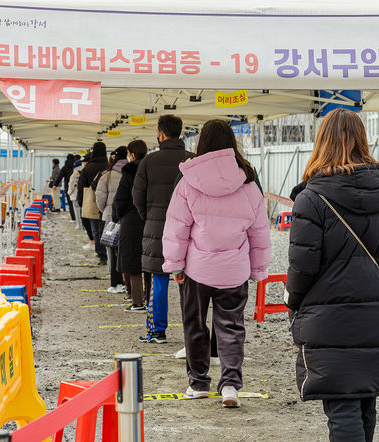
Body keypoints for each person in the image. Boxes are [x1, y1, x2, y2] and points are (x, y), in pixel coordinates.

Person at [285, 108, 379, 441]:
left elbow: (302, 266)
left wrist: (294, 302)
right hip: (375, 313)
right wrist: (374, 284)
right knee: (365, 402)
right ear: (361, 140)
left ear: (322, 142)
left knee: (342, 407)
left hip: (329, 318)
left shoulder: (311, 198)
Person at [162, 119, 270, 408]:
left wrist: (176, 264)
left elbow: (177, 227)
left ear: (202, 143)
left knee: (195, 325)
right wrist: (258, 269)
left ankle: (198, 384)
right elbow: (259, 230)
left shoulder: (188, 179)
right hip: (235, 269)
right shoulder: (248, 179)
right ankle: (231, 385)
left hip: (198, 268)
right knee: (232, 327)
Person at [133, 115, 194, 344]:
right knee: (187, 284)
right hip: (189, 231)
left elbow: (137, 197)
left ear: (160, 134)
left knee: (158, 282)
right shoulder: (193, 160)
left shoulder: (149, 161)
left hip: (157, 229)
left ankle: (157, 331)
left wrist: (149, 217)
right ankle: (192, 334)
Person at [112, 140, 151, 312]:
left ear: (132, 154)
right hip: (151, 220)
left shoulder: (129, 171)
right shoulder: (152, 168)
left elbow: (120, 198)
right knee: (150, 262)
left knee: (133, 262)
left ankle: (137, 301)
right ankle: (151, 299)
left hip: (131, 220)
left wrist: (117, 215)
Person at [96, 146, 128, 293]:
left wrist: (105, 210)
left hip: (110, 216)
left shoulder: (107, 175)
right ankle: (128, 283)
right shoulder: (134, 171)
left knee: (112, 250)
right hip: (128, 217)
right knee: (126, 250)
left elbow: (100, 197)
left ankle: (116, 283)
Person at [78, 142, 108, 264]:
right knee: (107, 228)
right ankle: (109, 253)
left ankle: (102, 255)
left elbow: (81, 186)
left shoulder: (88, 168)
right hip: (108, 202)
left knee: (95, 229)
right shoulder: (109, 165)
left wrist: (81, 202)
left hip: (92, 202)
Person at [52, 154, 78, 221]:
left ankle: (73, 218)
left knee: (70, 203)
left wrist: (55, 184)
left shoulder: (65, 167)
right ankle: (79, 218)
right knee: (77, 204)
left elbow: (60, 176)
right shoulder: (76, 166)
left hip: (68, 187)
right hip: (77, 187)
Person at [68, 158, 84, 230]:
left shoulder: (74, 174)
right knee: (82, 210)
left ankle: (79, 225)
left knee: (77, 211)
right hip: (82, 194)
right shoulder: (84, 171)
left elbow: (71, 185)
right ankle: (83, 225)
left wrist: (69, 193)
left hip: (74, 194)